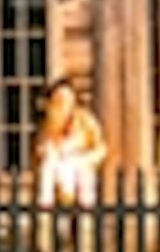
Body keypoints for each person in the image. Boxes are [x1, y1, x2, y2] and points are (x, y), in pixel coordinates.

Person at [34, 78, 107, 208]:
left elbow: (100, 148)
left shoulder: (85, 121)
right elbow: (40, 149)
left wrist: (85, 158)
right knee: (48, 172)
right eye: (59, 99)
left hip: (80, 165)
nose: (64, 103)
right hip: (57, 167)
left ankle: (85, 218)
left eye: (67, 99)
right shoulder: (49, 124)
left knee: (83, 177)